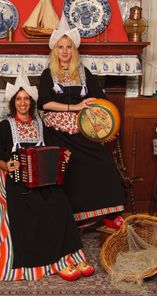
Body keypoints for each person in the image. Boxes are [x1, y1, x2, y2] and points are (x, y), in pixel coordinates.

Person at [0, 70, 94, 282]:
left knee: (60, 201)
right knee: (32, 206)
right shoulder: (6, 126)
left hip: (40, 178)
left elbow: (52, 149)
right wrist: (8, 165)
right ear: (14, 103)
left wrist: (63, 155)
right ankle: (48, 259)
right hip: (14, 178)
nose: (23, 103)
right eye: (19, 99)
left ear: (31, 102)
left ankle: (67, 256)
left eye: (26, 99)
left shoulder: (40, 124)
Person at [37, 14, 126, 229]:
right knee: (68, 169)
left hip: (82, 130)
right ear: (54, 50)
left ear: (74, 50)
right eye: (60, 47)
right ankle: (71, 218)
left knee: (103, 163)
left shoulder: (84, 73)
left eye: (68, 47)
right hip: (57, 132)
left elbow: (102, 101)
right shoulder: (48, 74)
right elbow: (44, 104)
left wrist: (106, 127)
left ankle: (110, 215)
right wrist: (74, 107)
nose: (65, 51)